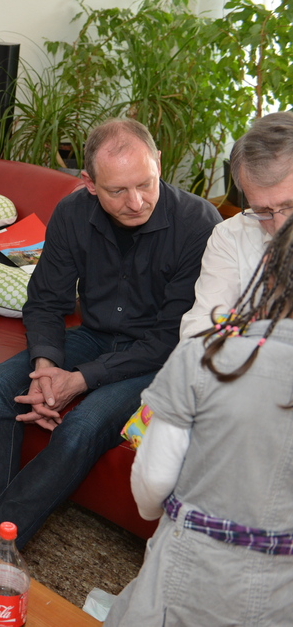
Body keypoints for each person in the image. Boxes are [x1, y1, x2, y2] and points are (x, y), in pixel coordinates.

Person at [0, 118, 221, 548]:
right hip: (94, 335)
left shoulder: (198, 223)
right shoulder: (72, 213)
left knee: (82, 424)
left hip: (155, 358)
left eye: (145, 183)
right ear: (88, 183)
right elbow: (45, 300)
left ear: (159, 163)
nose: (136, 202)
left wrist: (79, 380)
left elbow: (170, 339)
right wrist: (46, 367)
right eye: (117, 191)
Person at [105, 217, 293, 626]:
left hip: (192, 569)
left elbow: (154, 479)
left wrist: (160, 513)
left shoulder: (205, 358)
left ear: (269, 270)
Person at [180, 111, 293, 338]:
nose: (280, 226)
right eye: (262, 211)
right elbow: (198, 331)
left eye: (289, 205)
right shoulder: (231, 235)